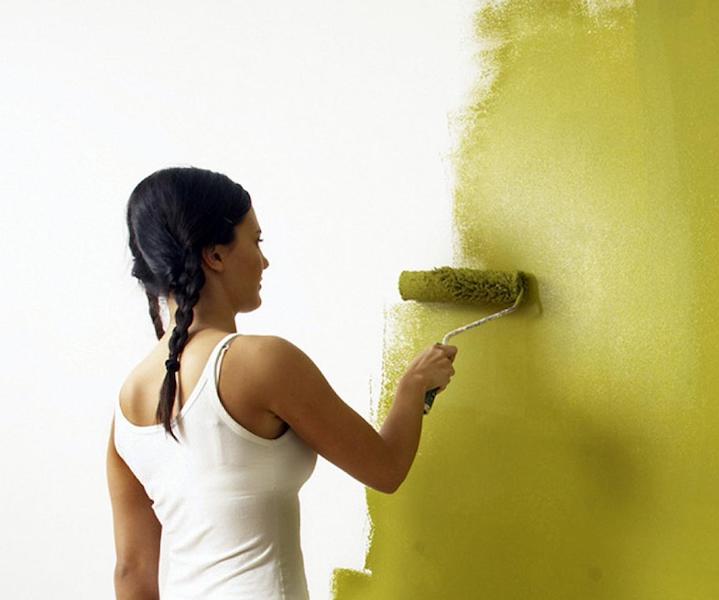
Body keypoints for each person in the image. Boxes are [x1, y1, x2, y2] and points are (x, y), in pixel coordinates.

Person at [106, 166, 458, 599]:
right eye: (255, 241)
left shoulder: (130, 397)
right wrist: (414, 386)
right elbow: (384, 469)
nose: (264, 260)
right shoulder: (260, 361)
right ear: (214, 255)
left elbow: (132, 571)